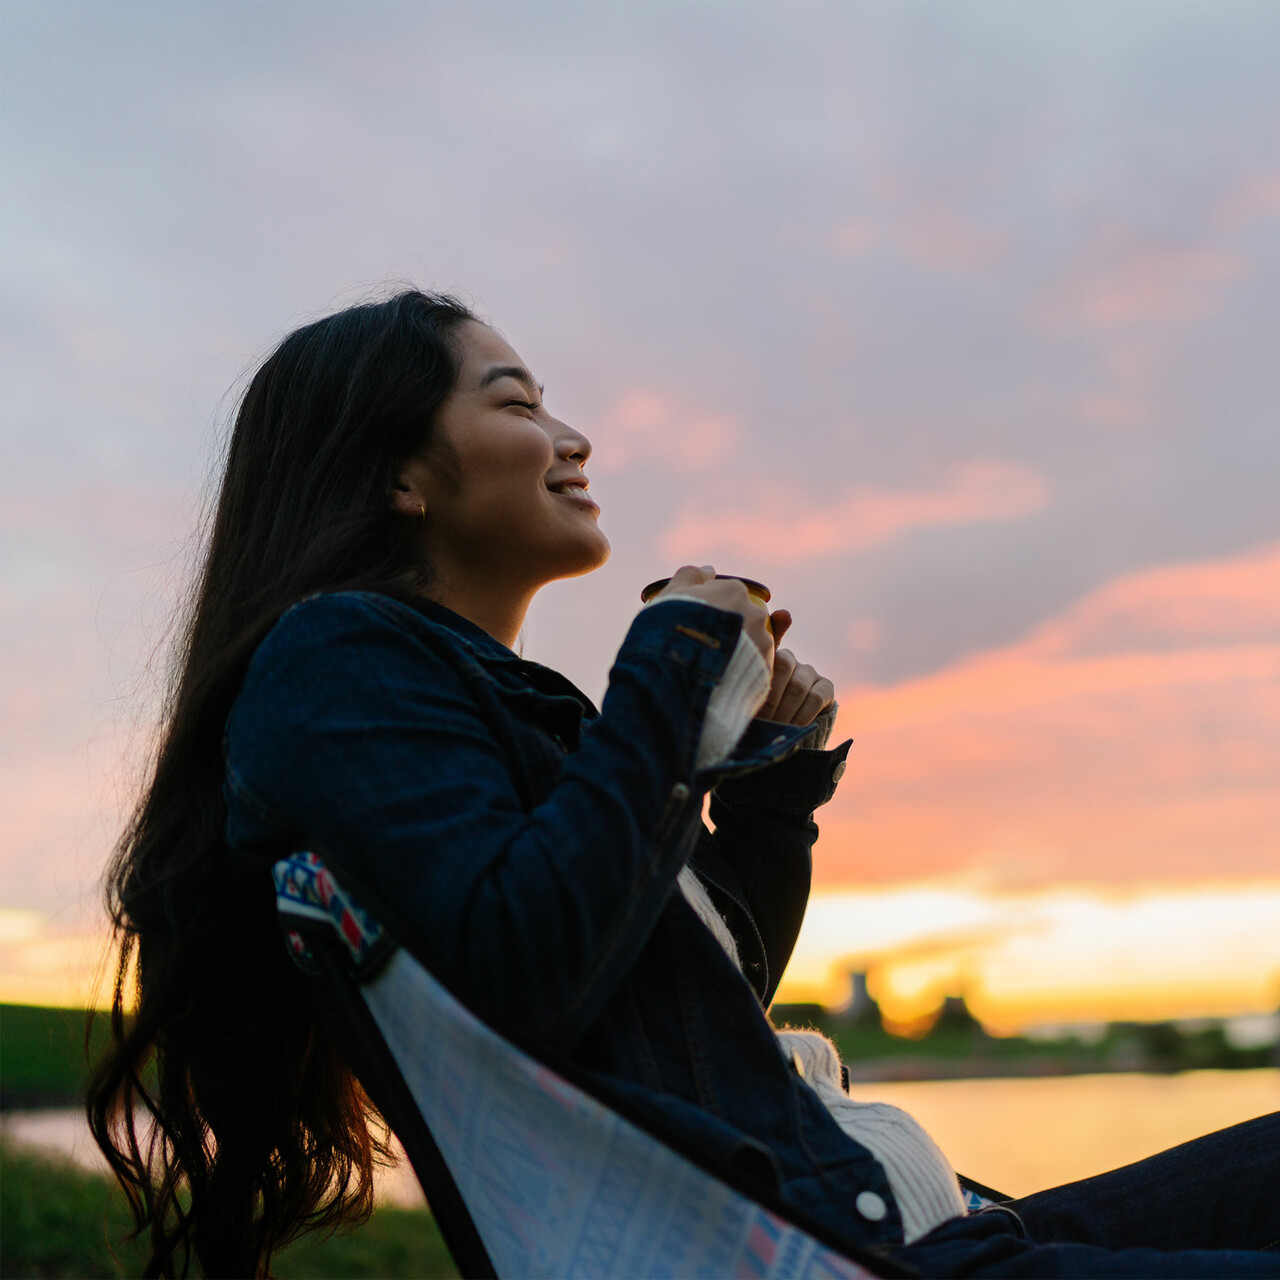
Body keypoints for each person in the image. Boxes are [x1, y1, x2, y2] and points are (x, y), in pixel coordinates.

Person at [89, 290, 1279, 1278]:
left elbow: (694, 1006)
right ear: (398, 474)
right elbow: (527, 962)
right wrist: (669, 661)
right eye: (515, 401)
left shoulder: (498, 707)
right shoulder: (333, 659)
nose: (571, 436)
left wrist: (770, 785)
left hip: (919, 1224)